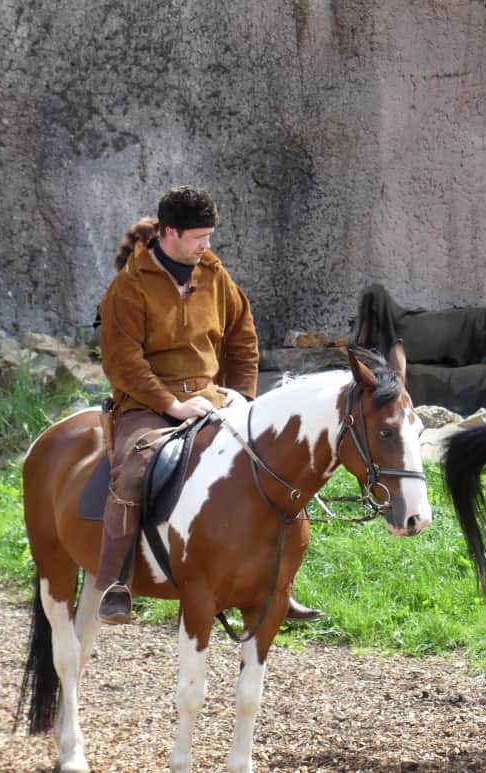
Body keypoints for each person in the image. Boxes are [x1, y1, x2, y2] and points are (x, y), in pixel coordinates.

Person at [95, 185, 321, 623]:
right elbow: (123, 362)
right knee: (133, 472)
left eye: (209, 235)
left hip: (213, 397)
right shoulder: (128, 288)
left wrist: (244, 395)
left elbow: (243, 339)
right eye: (199, 237)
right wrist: (171, 404)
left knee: (272, 463)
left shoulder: (216, 276)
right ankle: (115, 582)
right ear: (170, 233)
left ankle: (279, 583)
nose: (207, 245)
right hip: (144, 404)